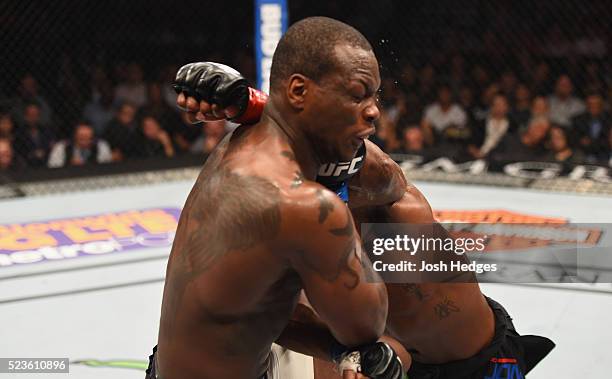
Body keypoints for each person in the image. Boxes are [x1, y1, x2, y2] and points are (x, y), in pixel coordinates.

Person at [188, 60, 556, 379]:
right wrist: (348, 353)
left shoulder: (393, 209)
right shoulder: (291, 229)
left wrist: (250, 104)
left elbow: (380, 171)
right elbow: (276, 320)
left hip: (479, 361)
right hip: (405, 356)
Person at [150, 17, 408, 379]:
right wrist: (334, 192)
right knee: (392, 354)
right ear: (299, 92)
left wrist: (256, 106)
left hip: (193, 363)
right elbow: (366, 325)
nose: (373, 111)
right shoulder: (302, 204)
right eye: (356, 94)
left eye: (373, 96)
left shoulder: (246, 138)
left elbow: (393, 183)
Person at [47, 122, 112, 168]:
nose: (84, 141)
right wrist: (68, 166)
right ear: (74, 136)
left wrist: (86, 166)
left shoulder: (101, 146)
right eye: (81, 137)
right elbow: (53, 166)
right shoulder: (62, 147)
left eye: (88, 138)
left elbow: (105, 167)